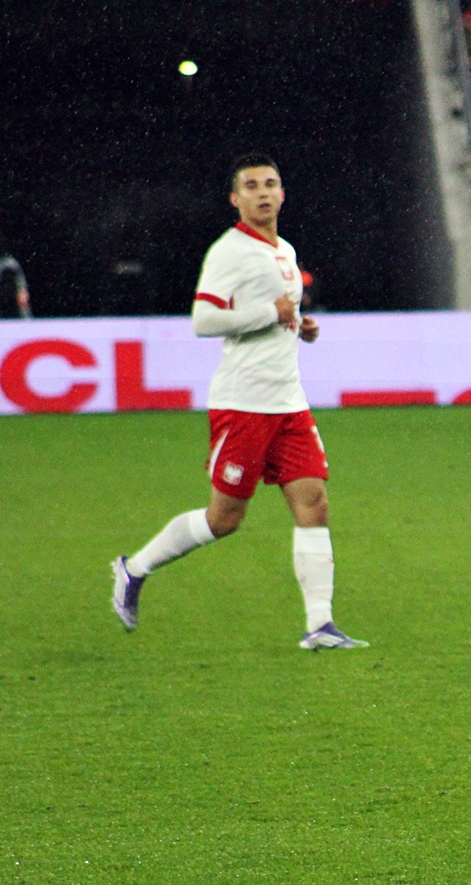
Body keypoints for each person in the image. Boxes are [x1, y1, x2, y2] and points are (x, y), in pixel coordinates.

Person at [111, 154, 366, 650]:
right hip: (244, 403)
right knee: (224, 520)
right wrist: (270, 312)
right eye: (251, 186)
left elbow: (277, 314)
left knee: (314, 504)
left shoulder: (285, 249)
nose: (263, 192)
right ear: (235, 198)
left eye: (271, 183)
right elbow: (204, 320)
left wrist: (298, 325)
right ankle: (134, 568)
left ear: (283, 193)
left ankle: (320, 626)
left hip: (289, 402)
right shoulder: (229, 251)